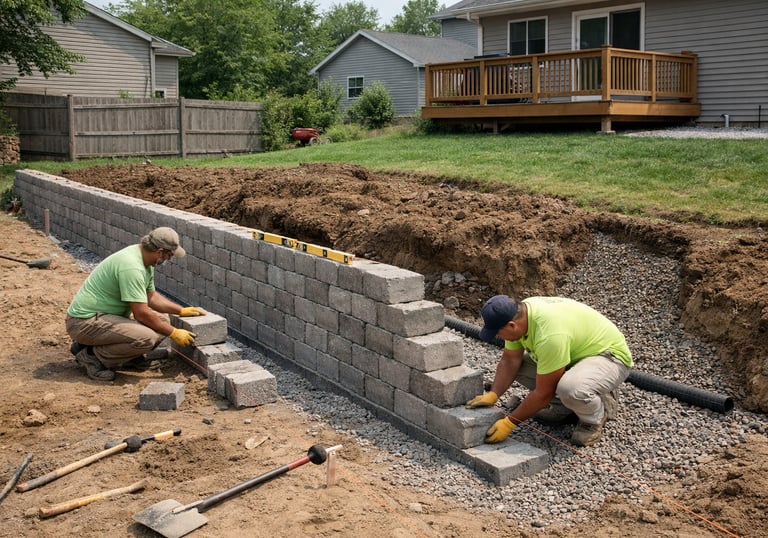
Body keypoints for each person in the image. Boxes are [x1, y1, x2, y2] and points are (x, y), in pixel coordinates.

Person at [466, 295, 633, 447]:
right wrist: (494, 394)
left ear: (511, 325)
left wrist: (509, 423)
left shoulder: (549, 336)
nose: (499, 337)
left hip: (608, 357)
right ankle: (565, 407)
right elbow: (510, 361)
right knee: (521, 367)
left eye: (498, 333)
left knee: (572, 389)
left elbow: (543, 393)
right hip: (574, 355)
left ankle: (595, 416)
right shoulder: (521, 316)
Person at [66, 227, 206, 381]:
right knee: (146, 338)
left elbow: (151, 297)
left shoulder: (145, 260)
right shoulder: (132, 267)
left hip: (103, 317)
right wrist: (174, 333)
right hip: (84, 322)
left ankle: (123, 356)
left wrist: (180, 310)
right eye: (169, 255)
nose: (169, 259)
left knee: (163, 321)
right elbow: (141, 313)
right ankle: (92, 357)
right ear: (160, 251)